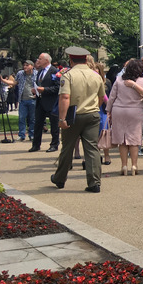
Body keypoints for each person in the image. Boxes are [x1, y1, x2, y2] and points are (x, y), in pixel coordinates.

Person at [50, 47, 107, 193]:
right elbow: (101, 97)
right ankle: (94, 182)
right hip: (93, 114)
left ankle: (60, 178)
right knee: (92, 149)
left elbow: (65, 97)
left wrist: (62, 119)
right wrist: (94, 108)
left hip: (73, 115)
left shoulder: (68, 75)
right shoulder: (96, 75)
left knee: (67, 148)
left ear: (71, 59)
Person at [106, 58, 143, 176]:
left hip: (119, 110)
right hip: (135, 110)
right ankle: (134, 165)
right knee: (134, 140)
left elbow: (112, 97)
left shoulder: (119, 79)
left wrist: (108, 110)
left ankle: (124, 165)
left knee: (122, 140)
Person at [29, 53, 60, 153]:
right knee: (38, 124)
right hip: (40, 101)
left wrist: (44, 89)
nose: (38, 61)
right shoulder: (40, 71)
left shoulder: (54, 71)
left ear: (46, 60)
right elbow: (39, 84)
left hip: (51, 102)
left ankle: (54, 144)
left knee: (54, 124)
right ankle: (36, 145)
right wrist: (36, 90)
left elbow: (57, 87)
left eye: (40, 59)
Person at [13, 60, 37, 142]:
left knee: (32, 119)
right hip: (23, 100)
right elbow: (14, 83)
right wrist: (3, 80)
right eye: (24, 65)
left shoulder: (36, 74)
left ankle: (32, 134)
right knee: (21, 118)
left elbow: (40, 85)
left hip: (33, 99)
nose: (25, 67)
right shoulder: (20, 73)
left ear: (32, 66)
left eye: (27, 65)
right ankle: (21, 135)